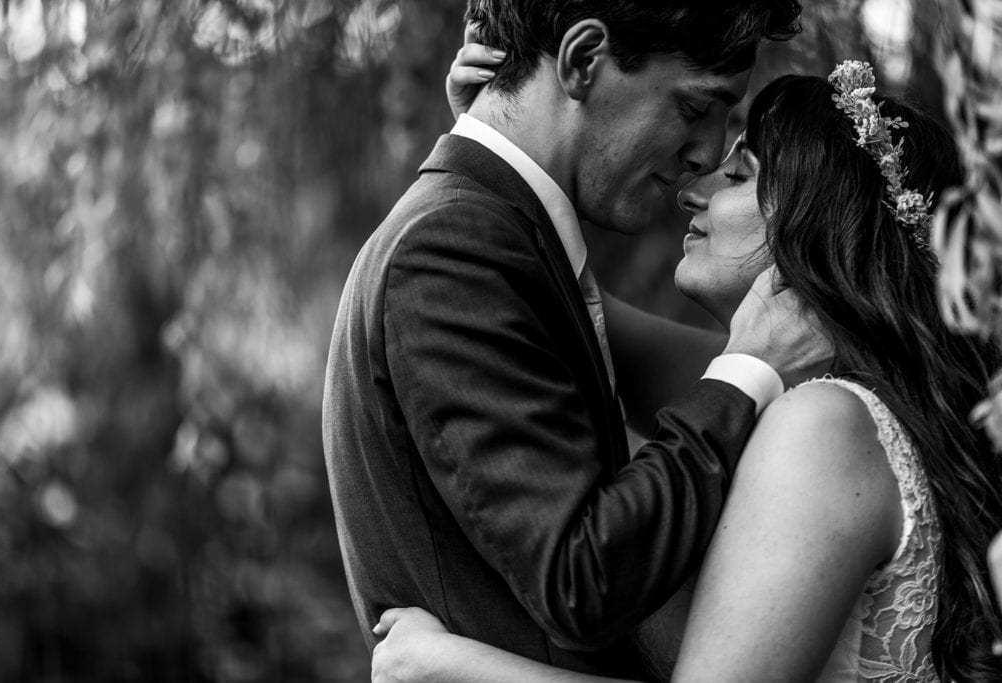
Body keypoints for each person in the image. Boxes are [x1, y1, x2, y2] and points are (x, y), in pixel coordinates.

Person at [370, 61, 1002, 681]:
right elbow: (534, 294)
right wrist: (503, 137)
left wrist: (445, 667)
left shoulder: (823, 425)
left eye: (739, 174)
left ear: (823, 220)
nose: (692, 189)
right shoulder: (835, 399)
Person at [322, 1, 830, 680]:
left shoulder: (490, 240)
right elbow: (582, 577)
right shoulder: (451, 250)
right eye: (694, 108)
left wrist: (491, 150)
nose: (706, 153)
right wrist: (747, 370)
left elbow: (776, 381)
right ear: (583, 60)